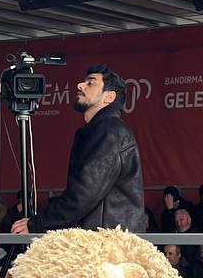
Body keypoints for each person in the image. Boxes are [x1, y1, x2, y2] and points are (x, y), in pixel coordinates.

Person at [12, 64, 146, 233]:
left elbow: (83, 196)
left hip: (105, 246)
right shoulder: (102, 129)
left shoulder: (109, 131)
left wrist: (37, 223)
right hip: (102, 242)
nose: (80, 85)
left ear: (109, 97)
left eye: (91, 83)